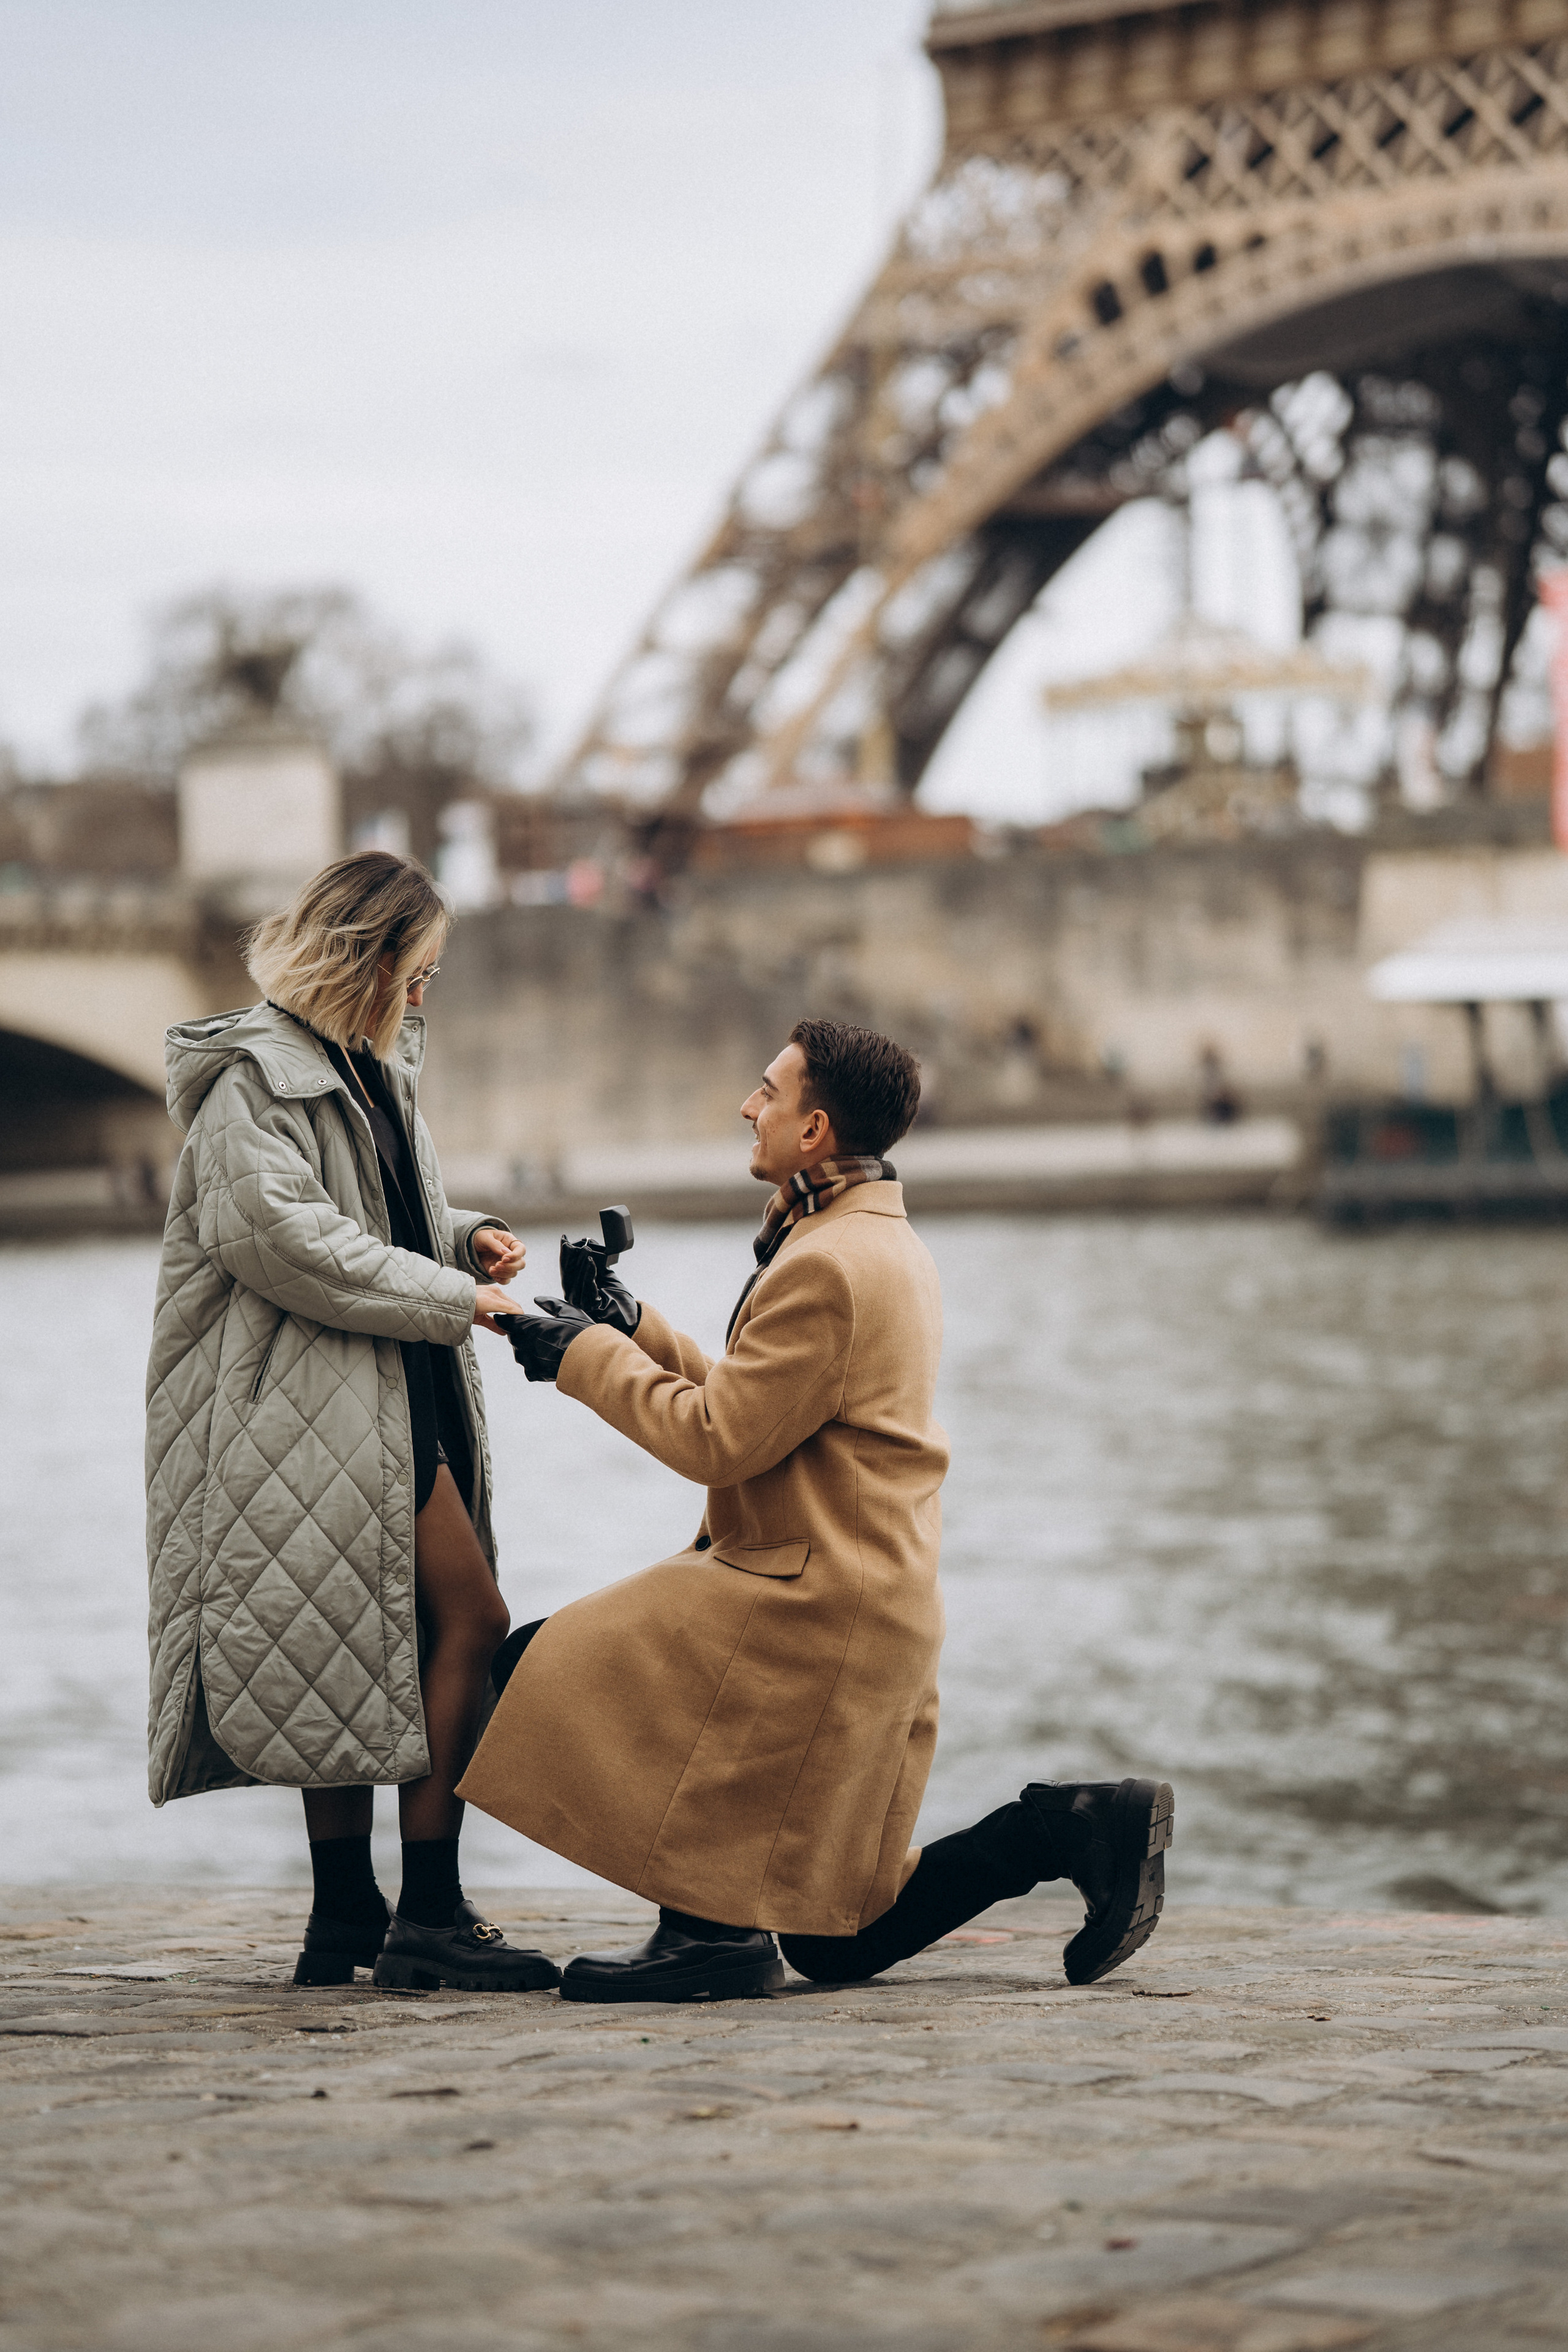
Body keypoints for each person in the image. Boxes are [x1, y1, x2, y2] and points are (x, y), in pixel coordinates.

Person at [459, 1018, 1174, 2002]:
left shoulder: (829, 1261)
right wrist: (634, 1327)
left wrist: (574, 1355)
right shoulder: (867, 1238)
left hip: (809, 1609)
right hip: (866, 1604)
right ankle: (1068, 1827)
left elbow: (717, 1439)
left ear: (814, 1131)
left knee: (532, 1662)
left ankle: (709, 1934)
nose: (750, 1106)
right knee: (841, 1942)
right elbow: (768, 1410)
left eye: (769, 1091)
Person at [145, 850, 559, 1994]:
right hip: (312, 1402)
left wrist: (462, 1235)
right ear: (368, 957)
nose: (428, 992)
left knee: (351, 1637)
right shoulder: (256, 1081)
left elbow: (367, 1210)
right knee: (462, 1616)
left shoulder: (364, 1064)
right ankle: (425, 1908)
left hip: (379, 1386)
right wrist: (452, 1295)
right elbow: (284, 1241)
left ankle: (347, 1920)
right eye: (420, 970)